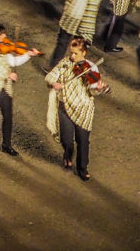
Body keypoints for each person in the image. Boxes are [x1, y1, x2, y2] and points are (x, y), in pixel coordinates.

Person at [45, 38, 108, 181]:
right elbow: (50, 76)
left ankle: (82, 168)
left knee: (83, 140)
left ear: (84, 52)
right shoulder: (64, 64)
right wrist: (54, 83)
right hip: (65, 107)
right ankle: (68, 153)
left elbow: (92, 92)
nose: (72, 57)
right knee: (66, 140)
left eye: (75, 54)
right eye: (71, 53)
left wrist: (98, 89)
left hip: (83, 109)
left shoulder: (91, 68)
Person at [0, 23, 40, 156]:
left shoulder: (4, 49)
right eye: (2, 34)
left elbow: (13, 62)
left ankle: (7, 144)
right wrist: (7, 75)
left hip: (5, 87)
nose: (5, 36)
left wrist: (28, 54)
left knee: (8, 117)